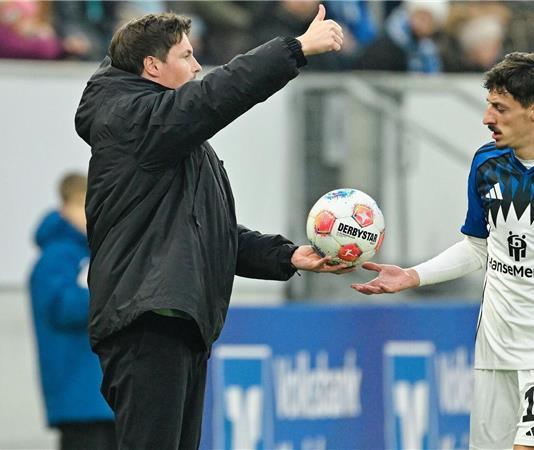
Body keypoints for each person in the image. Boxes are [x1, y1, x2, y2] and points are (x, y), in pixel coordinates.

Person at [352, 52, 534, 449]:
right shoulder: (486, 164)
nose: (486, 118)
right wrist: (412, 275)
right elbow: (478, 248)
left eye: (499, 108)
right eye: (488, 106)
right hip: (494, 349)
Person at [74, 10, 345, 449]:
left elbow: (214, 233)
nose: (198, 67)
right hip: (148, 323)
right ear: (152, 67)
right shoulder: (129, 121)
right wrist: (294, 49)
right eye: (187, 55)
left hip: (176, 323)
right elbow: (214, 96)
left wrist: (288, 256)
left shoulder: (171, 140)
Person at [28, 173, 115, 450]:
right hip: (77, 396)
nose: (90, 212)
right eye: (82, 204)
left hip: (106, 396)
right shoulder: (56, 258)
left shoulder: (95, 254)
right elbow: (62, 308)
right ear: (65, 207)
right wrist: (113, 295)